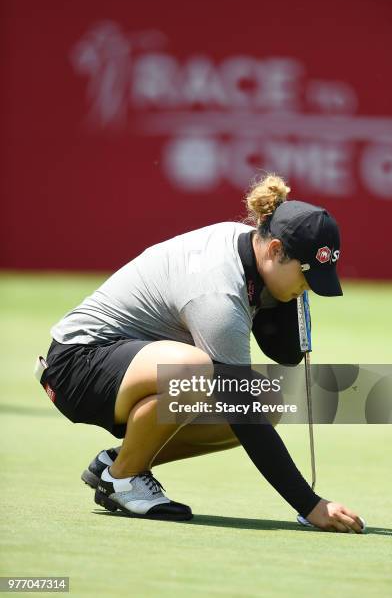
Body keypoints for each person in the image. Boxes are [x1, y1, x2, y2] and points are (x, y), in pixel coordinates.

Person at [35, 173, 364, 532]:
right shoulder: (218, 294)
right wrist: (309, 504)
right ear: (273, 251)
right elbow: (240, 409)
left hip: (121, 361)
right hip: (76, 363)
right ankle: (124, 478)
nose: (308, 290)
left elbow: (284, 352)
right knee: (197, 371)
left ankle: (116, 465)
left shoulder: (250, 247)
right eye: (305, 278)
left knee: (268, 399)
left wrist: (291, 291)